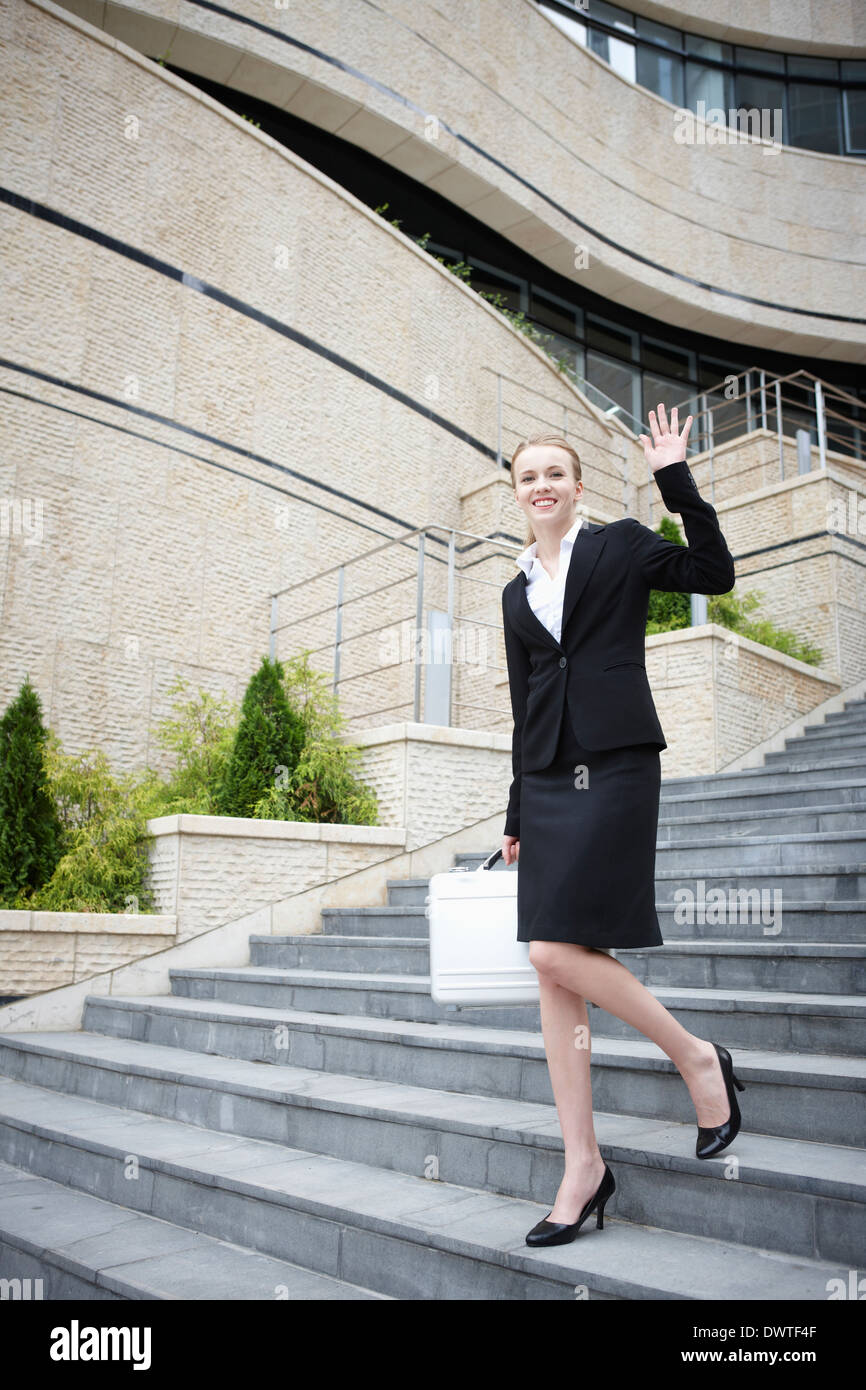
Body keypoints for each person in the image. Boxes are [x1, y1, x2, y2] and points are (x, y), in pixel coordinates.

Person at [500, 404, 745, 1248]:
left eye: (554, 474)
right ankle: (583, 1164)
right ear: (516, 492)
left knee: (552, 950)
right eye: (528, 476)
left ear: (577, 486)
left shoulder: (625, 543)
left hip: (615, 767)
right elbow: (522, 696)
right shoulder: (515, 589)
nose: (542, 486)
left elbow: (715, 572)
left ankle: (694, 1055)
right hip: (547, 782)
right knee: (554, 975)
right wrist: (517, 812)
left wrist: (674, 476)